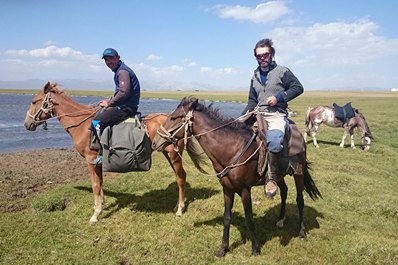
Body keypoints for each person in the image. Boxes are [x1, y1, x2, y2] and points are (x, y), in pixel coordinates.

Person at [242, 38, 304, 198]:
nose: (262, 58)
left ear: (271, 54)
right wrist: (243, 117)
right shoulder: (255, 75)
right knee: (236, 132)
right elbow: (252, 100)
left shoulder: (282, 71)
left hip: (276, 114)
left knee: (275, 140)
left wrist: (278, 98)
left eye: (265, 55)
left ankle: (271, 178)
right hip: (258, 113)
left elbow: (298, 88)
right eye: (259, 56)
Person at [90, 48, 141, 164]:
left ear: (118, 57)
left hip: (126, 108)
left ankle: (102, 154)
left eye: (111, 58)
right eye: (106, 59)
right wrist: (110, 100)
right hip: (125, 105)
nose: (109, 62)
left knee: (96, 123)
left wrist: (109, 103)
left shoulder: (122, 72)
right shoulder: (119, 70)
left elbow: (123, 93)